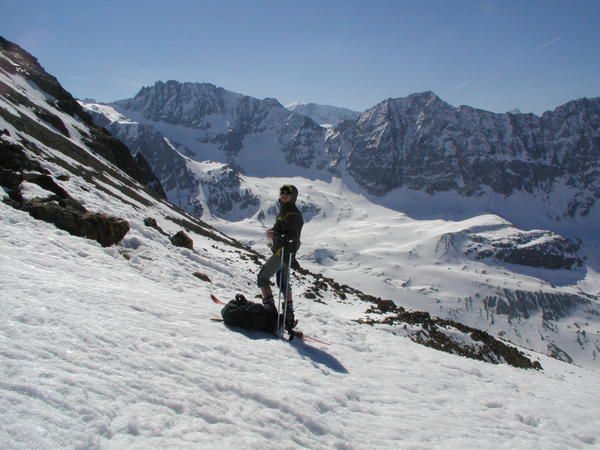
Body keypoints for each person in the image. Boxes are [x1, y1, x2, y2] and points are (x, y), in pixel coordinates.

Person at [257, 184, 304, 333]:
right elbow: (280, 229)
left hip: (283, 253)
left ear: (293, 196)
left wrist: (275, 235)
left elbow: (292, 238)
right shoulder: (284, 212)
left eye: (287, 193)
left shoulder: (293, 215)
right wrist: (273, 232)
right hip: (284, 253)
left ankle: (270, 312)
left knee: (262, 278)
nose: (284, 195)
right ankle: (288, 317)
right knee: (283, 283)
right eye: (282, 192)